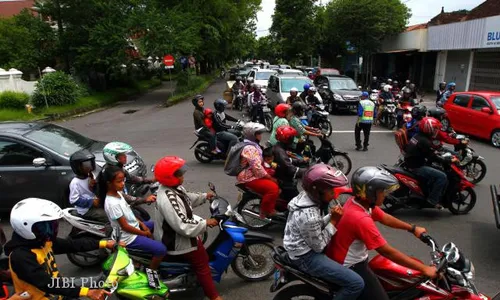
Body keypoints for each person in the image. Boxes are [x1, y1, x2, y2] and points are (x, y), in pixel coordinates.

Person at [326, 166, 438, 300]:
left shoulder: (357, 202)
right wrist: (424, 269)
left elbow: (384, 217)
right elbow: (387, 251)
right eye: (382, 191)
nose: (385, 194)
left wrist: (413, 229)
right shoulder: (360, 219)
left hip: (349, 258)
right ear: (370, 193)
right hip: (350, 266)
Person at [6, 198, 116, 300]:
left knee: (97, 280)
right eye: (46, 226)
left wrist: (103, 243)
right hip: (46, 294)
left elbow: (72, 244)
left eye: (52, 225)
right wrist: (87, 292)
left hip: (58, 291)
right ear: (26, 227)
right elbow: (47, 283)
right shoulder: (21, 256)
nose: (52, 230)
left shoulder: (42, 242)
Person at [283, 164, 364, 300]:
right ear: (317, 191)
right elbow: (319, 245)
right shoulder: (309, 215)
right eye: (330, 190)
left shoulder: (305, 198)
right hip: (306, 257)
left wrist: (330, 217)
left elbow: (316, 225)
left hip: (300, 244)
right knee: (356, 283)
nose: (334, 194)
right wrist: (333, 222)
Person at [152, 156, 222, 300]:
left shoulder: (171, 188)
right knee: (203, 263)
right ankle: (214, 296)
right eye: (179, 174)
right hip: (177, 241)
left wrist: (204, 196)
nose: (183, 176)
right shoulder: (168, 198)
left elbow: (187, 197)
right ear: (170, 177)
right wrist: (206, 223)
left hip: (171, 233)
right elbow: (182, 225)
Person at [99, 165, 166, 270]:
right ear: (109, 183)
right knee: (161, 250)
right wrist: (144, 233)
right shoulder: (111, 203)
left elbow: (129, 214)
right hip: (128, 237)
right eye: (119, 181)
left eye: (123, 180)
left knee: (157, 224)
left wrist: (143, 224)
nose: (122, 183)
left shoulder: (119, 194)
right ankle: (153, 272)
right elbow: (125, 226)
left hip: (134, 227)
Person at [404, 117, 454, 209]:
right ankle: (432, 200)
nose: (436, 131)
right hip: (417, 167)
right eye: (435, 129)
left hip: (411, 162)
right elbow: (433, 156)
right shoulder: (425, 141)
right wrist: (446, 160)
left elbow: (430, 152)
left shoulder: (417, 136)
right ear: (429, 128)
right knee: (442, 176)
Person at [101, 142, 156, 219]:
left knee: (145, 216)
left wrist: (151, 180)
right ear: (113, 157)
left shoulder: (117, 167)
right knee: (142, 221)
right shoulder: (110, 173)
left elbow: (132, 178)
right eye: (122, 155)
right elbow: (122, 195)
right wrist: (144, 200)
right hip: (116, 204)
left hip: (122, 200)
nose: (125, 157)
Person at [237, 122, 280, 218]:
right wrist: (269, 177)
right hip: (249, 177)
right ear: (252, 135)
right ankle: (265, 211)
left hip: (253, 174)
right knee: (273, 188)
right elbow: (256, 167)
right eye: (258, 133)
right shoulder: (250, 148)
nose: (261, 135)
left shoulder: (253, 145)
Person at [69, 149, 108, 223]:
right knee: (106, 216)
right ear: (78, 167)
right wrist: (91, 202)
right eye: (85, 165)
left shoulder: (90, 176)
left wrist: (94, 185)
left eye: (90, 164)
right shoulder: (75, 182)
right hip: (85, 210)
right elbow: (73, 200)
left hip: (96, 204)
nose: (89, 167)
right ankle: (110, 232)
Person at [273, 126, 309, 201]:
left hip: (281, 174)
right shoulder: (280, 152)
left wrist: (302, 160)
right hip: (284, 181)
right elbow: (291, 169)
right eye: (292, 138)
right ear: (287, 139)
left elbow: (288, 160)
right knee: (298, 202)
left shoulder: (279, 147)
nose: (293, 140)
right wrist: (306, 171)